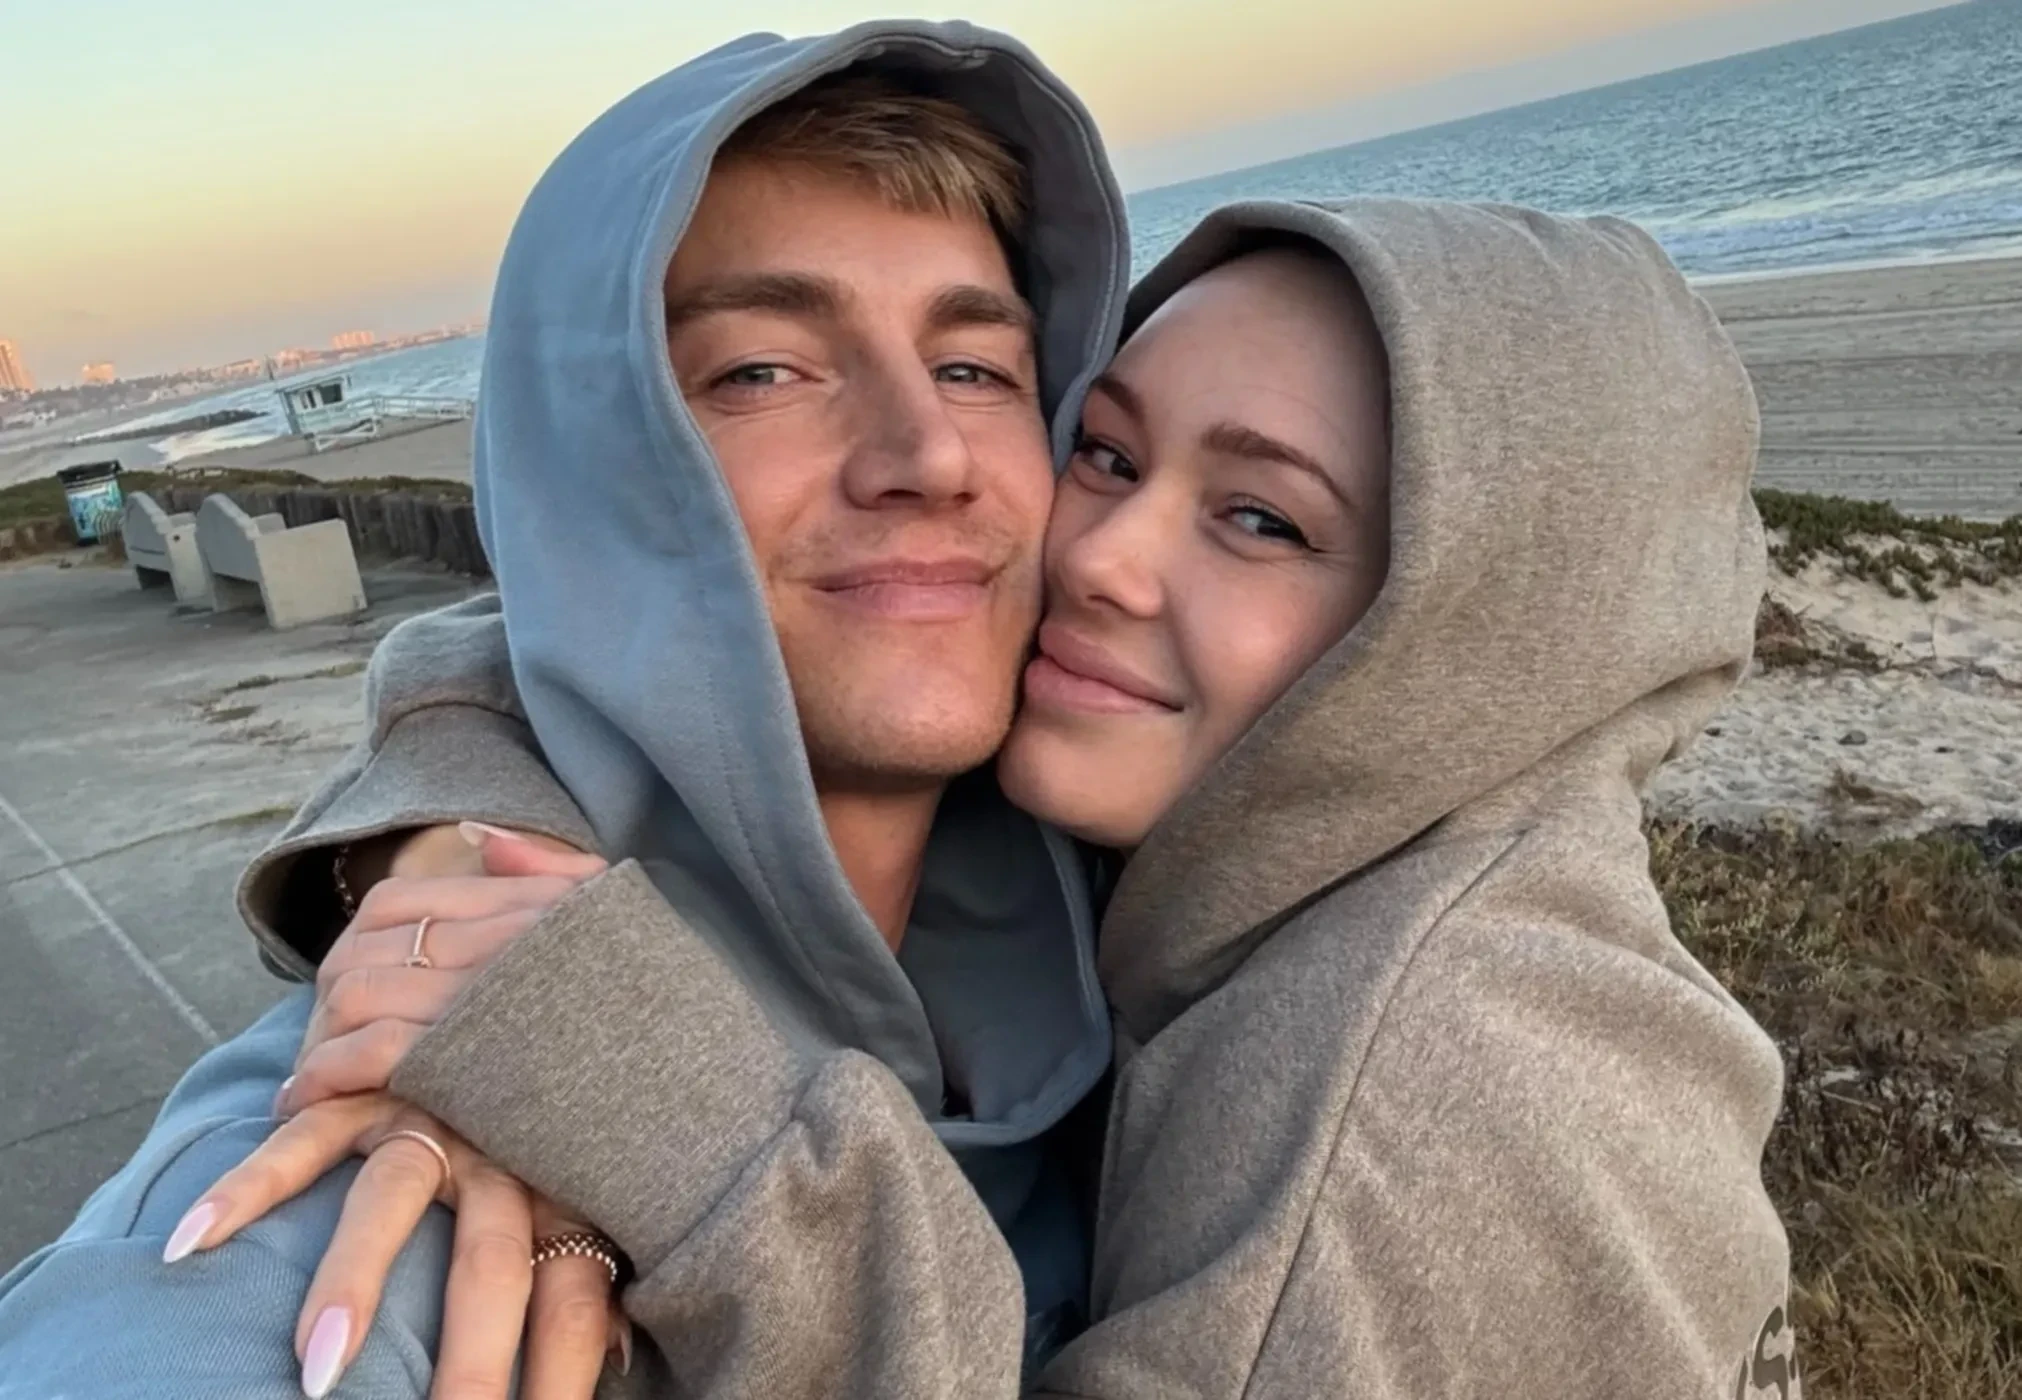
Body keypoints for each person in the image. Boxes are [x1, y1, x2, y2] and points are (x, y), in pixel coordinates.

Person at [196, 199, 1795, 1397]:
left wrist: (702, 1136)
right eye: (1105, 454)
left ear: (1472, 627)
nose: (1097, 556)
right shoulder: (1205, 840)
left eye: (1260, 519)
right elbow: (568, 634)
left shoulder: (1432, 1105)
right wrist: (467, 861)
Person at [0, 20, 1126, 1397]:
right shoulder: (356, 1218)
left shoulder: (1120, 957)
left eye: (975, 369)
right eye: (760, 371)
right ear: (581, 482)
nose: (929, 453)